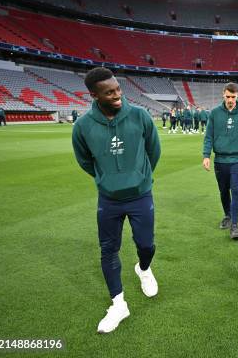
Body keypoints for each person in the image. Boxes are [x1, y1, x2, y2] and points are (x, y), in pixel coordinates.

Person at [71, 67, 161, 334]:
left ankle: (143, 269)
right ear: (94, 95)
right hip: (108, 199)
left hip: (140, 194)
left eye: (118, 89)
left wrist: (140, 176)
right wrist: (105, 178)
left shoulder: (140, 116)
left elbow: (153, 150)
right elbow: (85, 160)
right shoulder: (83, 126)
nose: (117, 95)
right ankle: (118, 303)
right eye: (109, 92)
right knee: (108, 250)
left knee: (146, 244)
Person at [202, 83, 238, 240]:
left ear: (237, 96)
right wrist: (206, 155)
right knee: (224, 191)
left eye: (233, 97)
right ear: (223, 95)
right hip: (220, 160)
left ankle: (235, 225)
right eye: (228, 96)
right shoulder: (215, 113)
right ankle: (228, 215)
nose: (230, 100)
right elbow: (209, 136)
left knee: (236, 191)